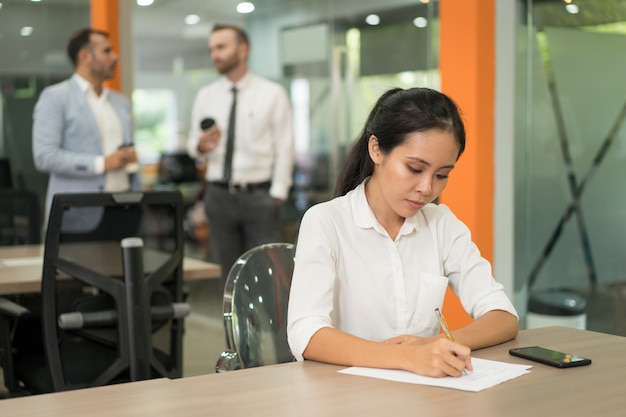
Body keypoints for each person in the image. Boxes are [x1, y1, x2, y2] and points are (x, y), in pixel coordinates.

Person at [287, 87, 519, 377]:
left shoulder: (441, 224)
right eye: (414, 168)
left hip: (422, 395)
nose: (427, 189)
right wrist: (407, 357)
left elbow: (503, 315)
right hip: (342, 396)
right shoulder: (325, 221)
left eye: (441, 175)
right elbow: (306, 333)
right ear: (376, 150)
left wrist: (438, 344)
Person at [186, 24, 294, 286]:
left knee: (270, 275)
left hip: (259, 197)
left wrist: (278, 194)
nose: (215, 54)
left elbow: (285, 145)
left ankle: (277, 329)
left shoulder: (271, 93)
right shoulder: (206, 95)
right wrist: (200, 146)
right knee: (229, 277)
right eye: (212, 48)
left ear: (242, 50)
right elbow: (191, 144)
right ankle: (234, 328)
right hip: (218, 196)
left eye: (221, 47)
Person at [32, 28, 141, 227]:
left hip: (125, 209)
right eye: (107, 51)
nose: (115, 57)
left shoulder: (120, 102)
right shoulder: (55, 98)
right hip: (80, 215)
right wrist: (101, 163)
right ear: (85, 57)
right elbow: (44, 156)